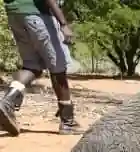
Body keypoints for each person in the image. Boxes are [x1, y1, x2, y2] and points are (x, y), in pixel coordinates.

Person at [0, 0, 82, 136]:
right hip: (37, 16)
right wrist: (63, 24)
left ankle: (7, 101)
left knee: (32, 66)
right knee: (58, 67)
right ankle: (68, 122)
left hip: (15, 15)